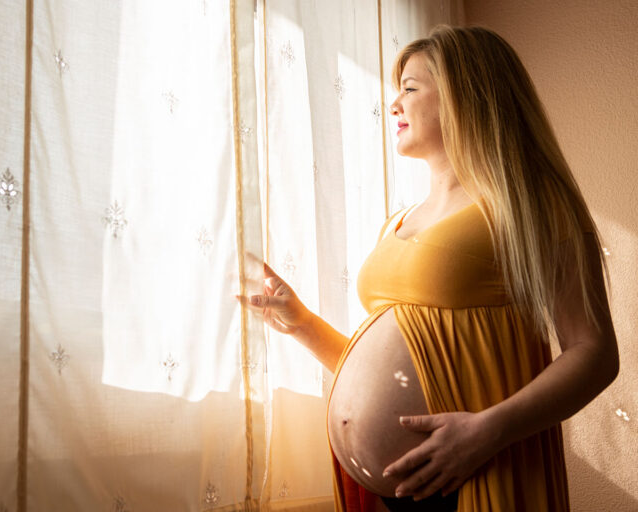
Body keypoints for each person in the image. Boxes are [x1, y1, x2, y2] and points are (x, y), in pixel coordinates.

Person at [238, 25, 619, 512]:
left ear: (466, 96)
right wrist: (303, 325)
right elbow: (411, 365)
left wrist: (488, 430)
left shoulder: (533, 205)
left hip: (476, 467)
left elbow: (594, 352)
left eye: (410, 89)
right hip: (384, 491)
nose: (393, 104)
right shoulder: (399, 220)